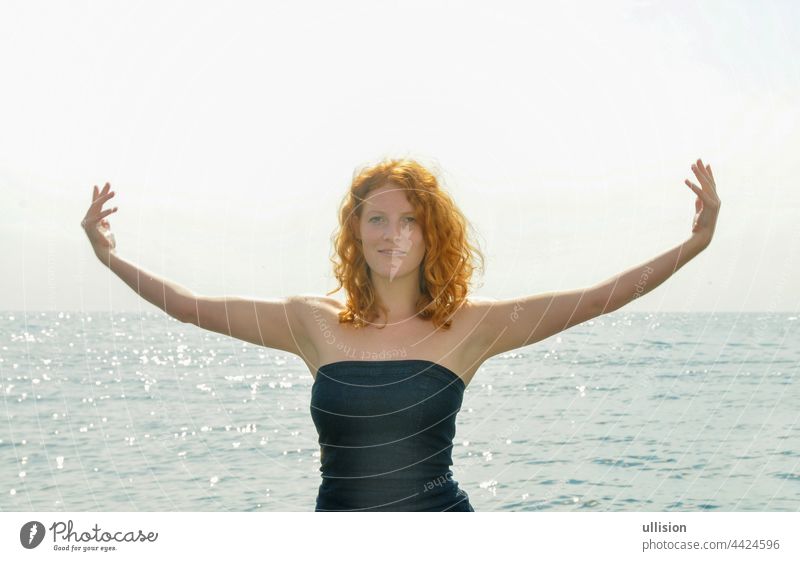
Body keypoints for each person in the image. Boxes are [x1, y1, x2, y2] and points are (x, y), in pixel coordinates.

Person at [81, 157, 721, 511]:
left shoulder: (474, 324)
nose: (393, 234)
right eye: (378, 219)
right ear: (356, 232)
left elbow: (597, 299)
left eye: (409, 221)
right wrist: (109, 257)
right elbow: (192, 306)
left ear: (430, 233)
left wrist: (694, 244)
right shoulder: (311, 321)